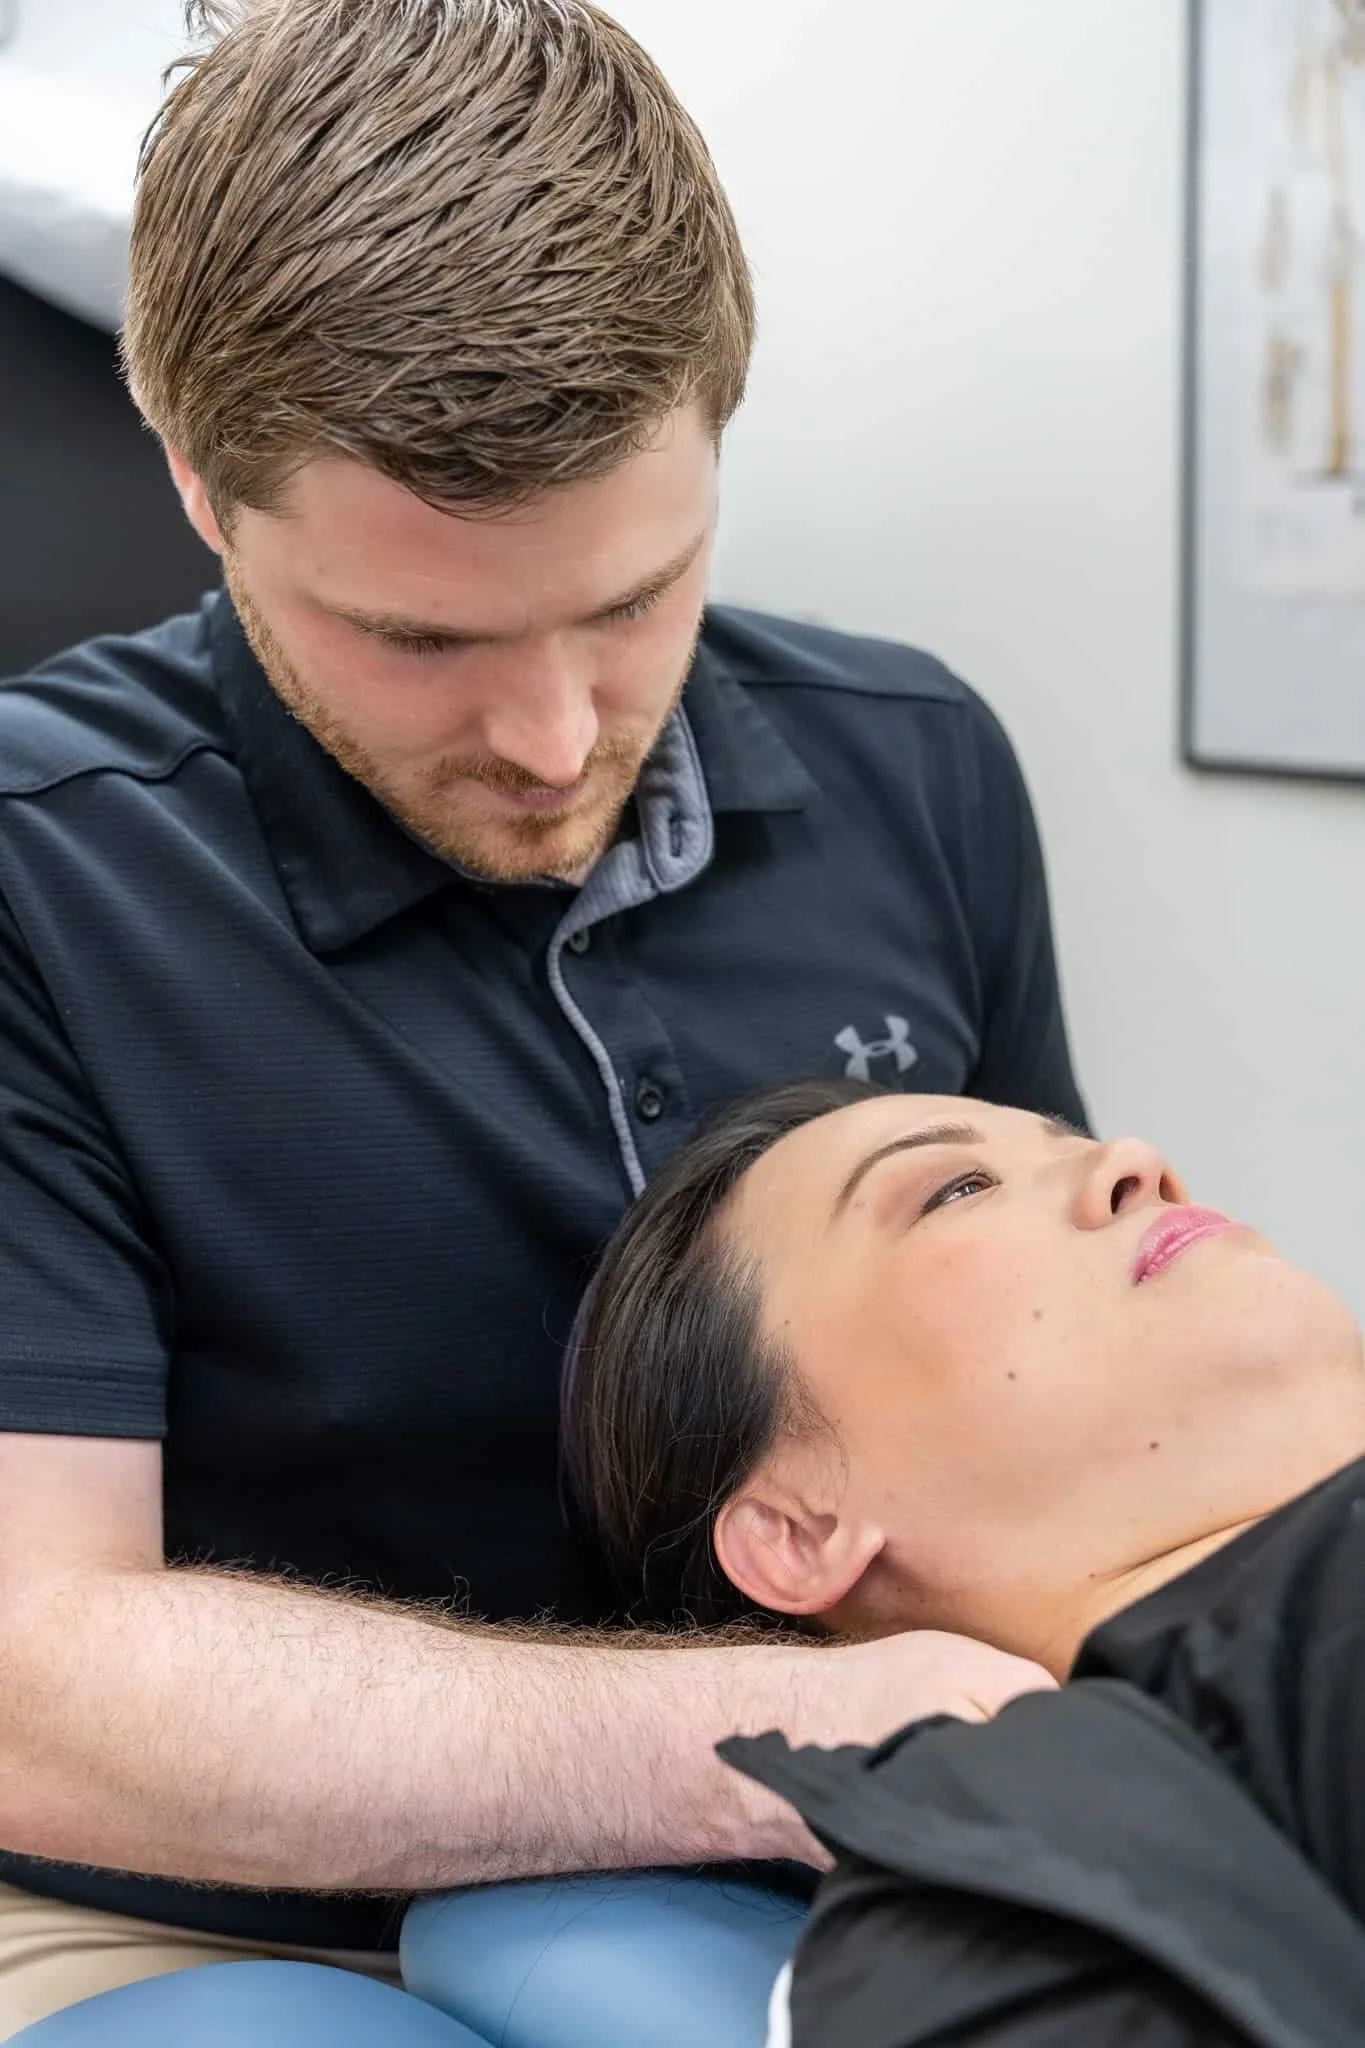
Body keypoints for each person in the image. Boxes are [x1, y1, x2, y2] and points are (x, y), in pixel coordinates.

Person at [0, 0, 1084, 2038]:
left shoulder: (920, 771)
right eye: (415, 636)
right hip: (193, 1904)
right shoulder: (34, 878)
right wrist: (796, 1733)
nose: (553, 735)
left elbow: (1067, 1404)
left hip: (855, 1857)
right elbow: (32, 1686)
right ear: (200, 489)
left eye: (633, 595)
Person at [563, 1078, 1365, 2041]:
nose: (1132, 1162)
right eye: (958, 1188)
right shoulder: (1000, 1884)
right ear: (800, 1531)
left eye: (1069, 1140)